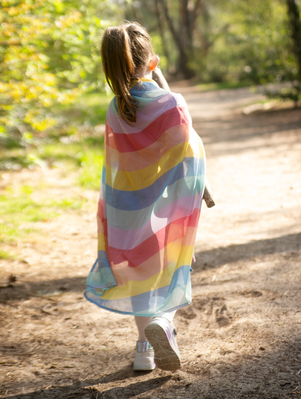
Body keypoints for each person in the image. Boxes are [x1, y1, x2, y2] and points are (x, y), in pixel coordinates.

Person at [84, 22, 206, 372]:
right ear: (152, 63)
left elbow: (122, 159)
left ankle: (143, 350)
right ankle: (164, 320)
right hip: (167, 204)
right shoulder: (172, 103)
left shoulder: (115, 109)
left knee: (140, 272)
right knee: (175, 262)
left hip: (126, 206)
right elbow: (186, 153)